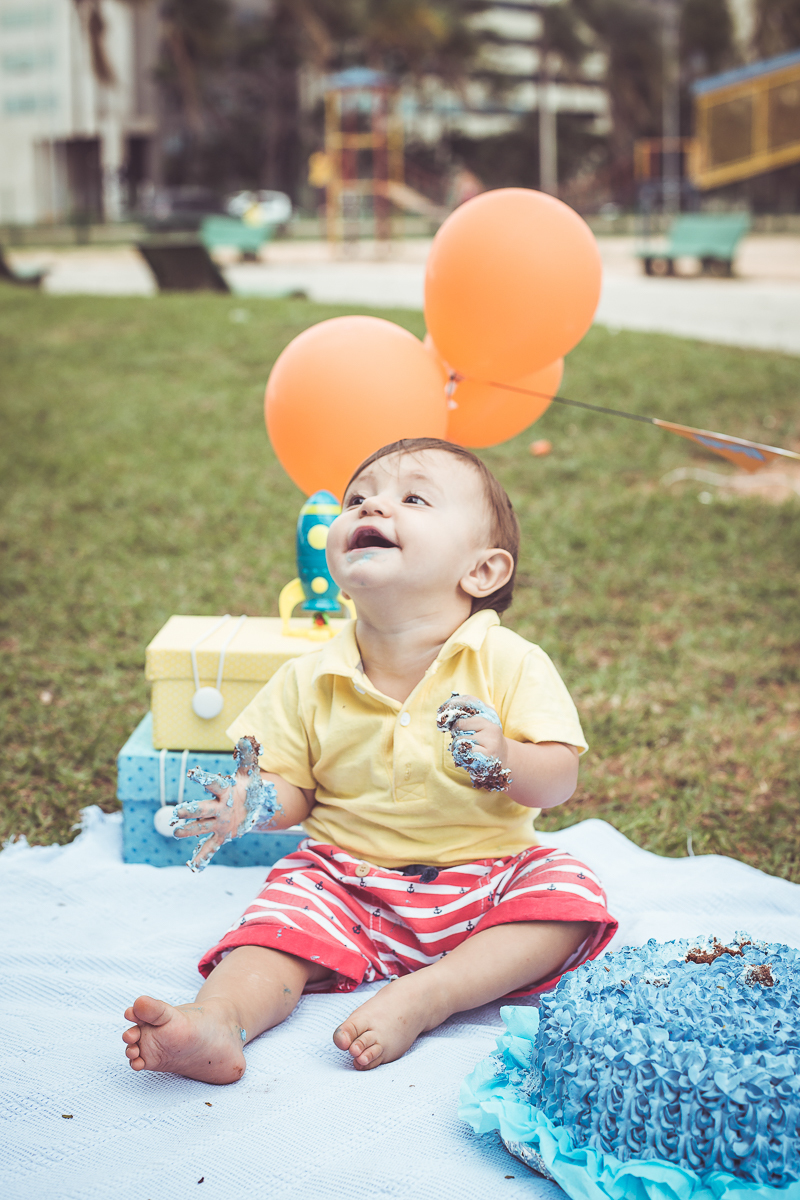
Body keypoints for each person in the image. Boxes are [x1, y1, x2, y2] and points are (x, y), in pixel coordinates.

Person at [122, 437, 617, 1084]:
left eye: (414, 498)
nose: (371, 506)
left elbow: (557, 781)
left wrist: (503, 759)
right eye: (356, 498)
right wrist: (254, 802)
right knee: (273, 929)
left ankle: (433, 993)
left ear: (482, 572)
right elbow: (294, 791)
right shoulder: (307, 677)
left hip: (486, 879)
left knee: (567, 895)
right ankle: (219, 1021)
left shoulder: (509, 662)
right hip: (345, 882)